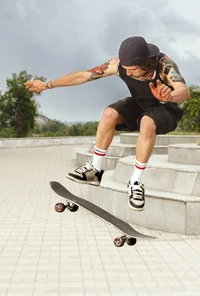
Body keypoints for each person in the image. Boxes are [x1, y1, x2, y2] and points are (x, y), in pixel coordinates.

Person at [25, 36, 190, 211]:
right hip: (139, 103)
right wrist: (47, 85)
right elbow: (82, 76)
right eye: (125, 69)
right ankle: (95, 170)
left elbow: (184, 91)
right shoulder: (117, 65)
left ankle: (135, 183)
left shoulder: (164, 64)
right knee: (109, 113)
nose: (128, 73)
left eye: (133, 70)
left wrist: (169, 96)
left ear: (145, 63)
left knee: (147, 122)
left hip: (165, 108)